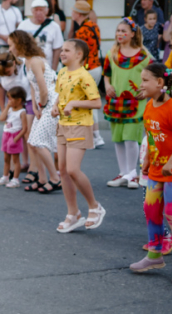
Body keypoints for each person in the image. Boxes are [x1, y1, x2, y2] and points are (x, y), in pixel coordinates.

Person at [53, 39, 105, 233]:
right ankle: (73, 214)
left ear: (79, 55)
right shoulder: (62, 72)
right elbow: (60, 94)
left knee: (73, 170)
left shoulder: (85, 76)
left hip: (80, 125)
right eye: (62, 50)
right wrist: (54, 106)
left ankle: (94, 206)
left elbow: (96, 102)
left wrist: (74, 104)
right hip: (63, 125)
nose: (62, 53)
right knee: (63, 170)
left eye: (67, 50)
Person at [131, 62, 172, 272]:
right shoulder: (149, 105)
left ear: (160, 82)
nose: (141, 84)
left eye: (145, 80)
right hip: (156, 169)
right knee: (151, 209)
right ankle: (155, 254)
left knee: (171, 212)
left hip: (171, 171)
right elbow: (150, 134)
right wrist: (146, 158)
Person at [9, 30, 61, 194]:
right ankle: (42, 178)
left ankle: (55, 179)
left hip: (51, 103)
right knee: (32, 141)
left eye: (11, 45)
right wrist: (36, 106)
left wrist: (43, 106)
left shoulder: (36, 61)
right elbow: (33, 86)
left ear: (19, 45)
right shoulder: (27, 61)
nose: (10, 49)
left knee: (38, 141)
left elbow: (44, 89)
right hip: (42, 104)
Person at [104, 18, 152, 189]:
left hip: (136, 104)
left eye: (124, 31)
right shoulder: (112, 54)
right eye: (118, 31)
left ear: (132, 34)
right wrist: (108, 85)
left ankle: (133, 173)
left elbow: (157, 75)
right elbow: (107, 73)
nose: (120, 34)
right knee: (117, 139)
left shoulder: (143, 56)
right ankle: (123, 172)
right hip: (116, 103)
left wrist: (147, 91)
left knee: (131, 138)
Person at [0, 51, 33, 173]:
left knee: (27, 133)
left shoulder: (25, 65)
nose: (6, 75)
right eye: (3, 74)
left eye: (8, 72)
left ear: (14, 63)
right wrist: (3, 108)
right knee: (12, 132)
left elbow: (33, 84)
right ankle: (17, 165)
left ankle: (32, 165)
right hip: (12, 104)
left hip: (29, 100)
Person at [71, 0, 104, 147]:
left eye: (73, 11)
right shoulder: (94, 26)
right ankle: (94, 136)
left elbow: (78, 53)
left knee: (89, 102)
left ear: (78, 14)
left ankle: (95, 136)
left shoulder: (82, 31)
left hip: (88, 68)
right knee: (91, 100)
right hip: (96, 66)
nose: (71, 13)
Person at [0, 87, 28, 188]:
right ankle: (5, 176)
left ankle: (15, 179)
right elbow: (1, 118)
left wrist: (16, 138)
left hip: (14, 136)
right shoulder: (9, 110)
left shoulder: (22, 112)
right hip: (6, 135)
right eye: (8, 98)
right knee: (6, 158)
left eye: (11, 99)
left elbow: (25, 128)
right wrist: (7, 107)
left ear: (19, 100)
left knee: (15, 159)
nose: (9, 101)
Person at [17, 0, 63, 70]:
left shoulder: (54, 26)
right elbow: (17, 45)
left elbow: (57, 49)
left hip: (46, 67)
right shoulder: (23, 25)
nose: (38, 12)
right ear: (32, 11)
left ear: (47, 11)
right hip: (26, 67)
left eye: (41, 10)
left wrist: (53, 69)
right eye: (36, 10)